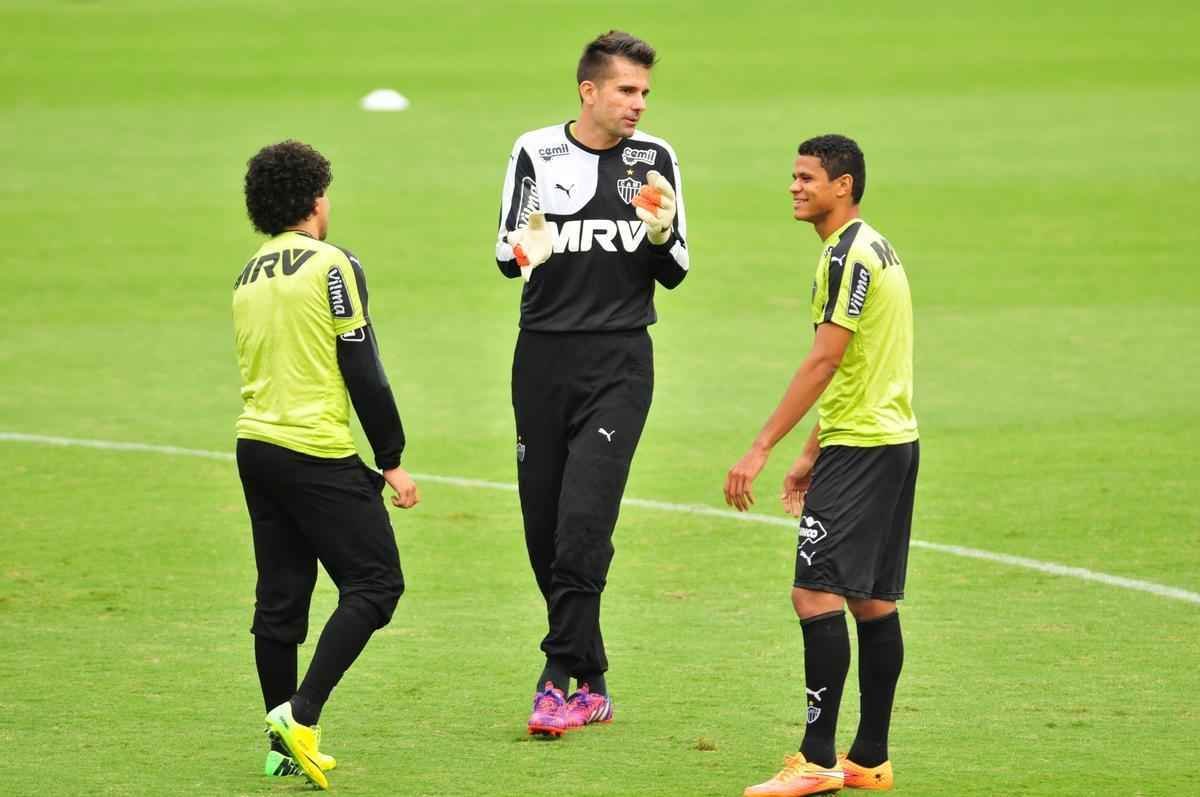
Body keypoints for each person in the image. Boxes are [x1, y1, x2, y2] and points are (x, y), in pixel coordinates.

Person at [494, 30, 690, 737]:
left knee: (584, 522)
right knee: (544, 532)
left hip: (619, 363)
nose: (638, 104)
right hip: (542, 362)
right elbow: (504, 254)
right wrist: (532, 244)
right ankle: (594, 677)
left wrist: (662, 232)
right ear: (589, 90)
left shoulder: (655, 159)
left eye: (643, 92)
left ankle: (554, 681)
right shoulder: (536, 152)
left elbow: (676, 268)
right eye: (626, 90)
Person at [724, 134, 918, 796]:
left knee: (814, 590)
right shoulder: (874, 247)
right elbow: (859, 366)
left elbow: (826, 359)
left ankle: (815, 757)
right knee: (869, 597)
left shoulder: (845, 257)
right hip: (887, 439)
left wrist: (763, 446)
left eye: (807, 177)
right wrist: (811, 451)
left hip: (863, 447)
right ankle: (870, 759)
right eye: (794, 176)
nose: (795, 186)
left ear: (844, 185)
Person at [233, 140, 419, 789]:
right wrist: (390, 458)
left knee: (281, 600)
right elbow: (361, 365)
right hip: (314, 447)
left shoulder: (249, 273)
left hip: (256, 447)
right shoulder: (334, 265)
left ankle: (280, 747)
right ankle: (301, 716)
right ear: (316, 200)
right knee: (376, 583)